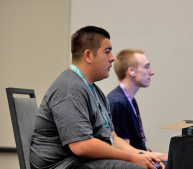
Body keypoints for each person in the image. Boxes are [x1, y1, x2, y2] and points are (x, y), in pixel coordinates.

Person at [30, 26, 165, 169]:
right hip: (62, 164)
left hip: (79, 162)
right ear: (88, 55)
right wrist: (133, 159)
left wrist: (139, 155)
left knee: (152, 165)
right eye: (107, 52)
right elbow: (81, 146)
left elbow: (112, 137)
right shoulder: (70, 89)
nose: (112, 58)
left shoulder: (94, 90)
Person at [107, 49, 168, 162]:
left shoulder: (129, 100)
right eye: (146, 67)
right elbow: (125, 153)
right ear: (131, 72)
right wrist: (164, 157)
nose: (152, 72)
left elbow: (138, 147)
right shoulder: (117, 103)